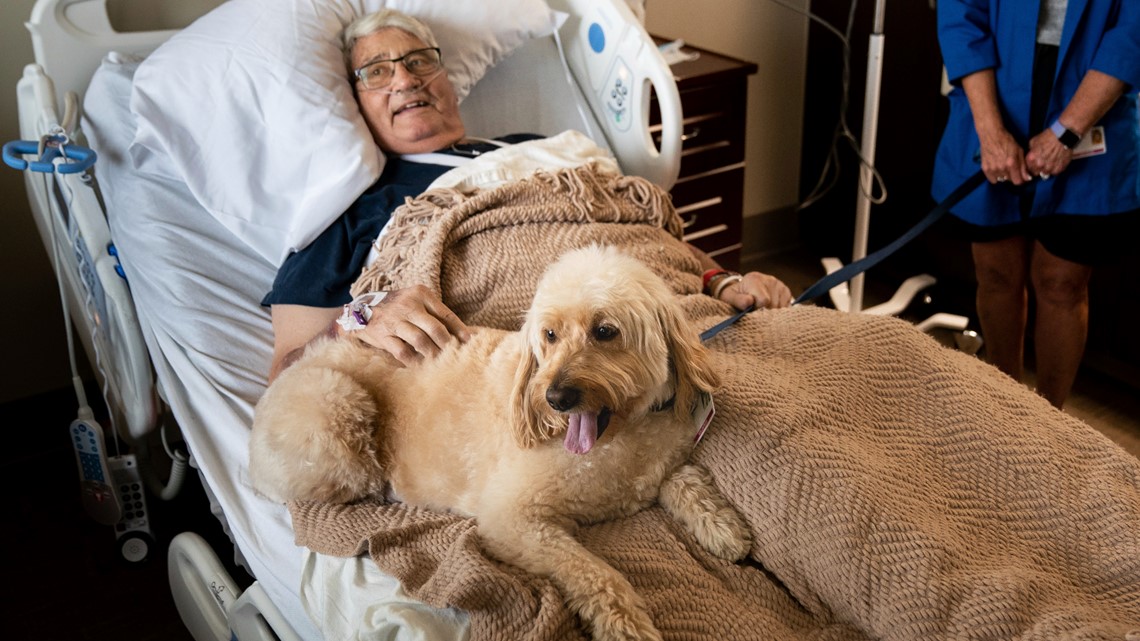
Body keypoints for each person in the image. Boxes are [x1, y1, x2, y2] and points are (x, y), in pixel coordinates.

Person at [264, 9, 792, 383]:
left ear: (447, 78)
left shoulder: (541, 150)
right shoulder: (354, 211)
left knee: (857, 363)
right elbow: (286, 368)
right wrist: (361, 319)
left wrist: (725, 281)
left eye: (420, 61)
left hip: (685, 320)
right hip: (562, 369)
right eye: (377, 71)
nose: (405, 78)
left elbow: (641, 231)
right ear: (357, 101)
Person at [932, 0, 1140, 409]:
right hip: (993, 93)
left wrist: (1068, 131)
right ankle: (1004, 411)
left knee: (1061, 283)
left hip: (1094, 96)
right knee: (996, 274)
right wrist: (991, 132)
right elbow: (961, 18)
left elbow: (1132, 30)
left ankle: (1049, 423)